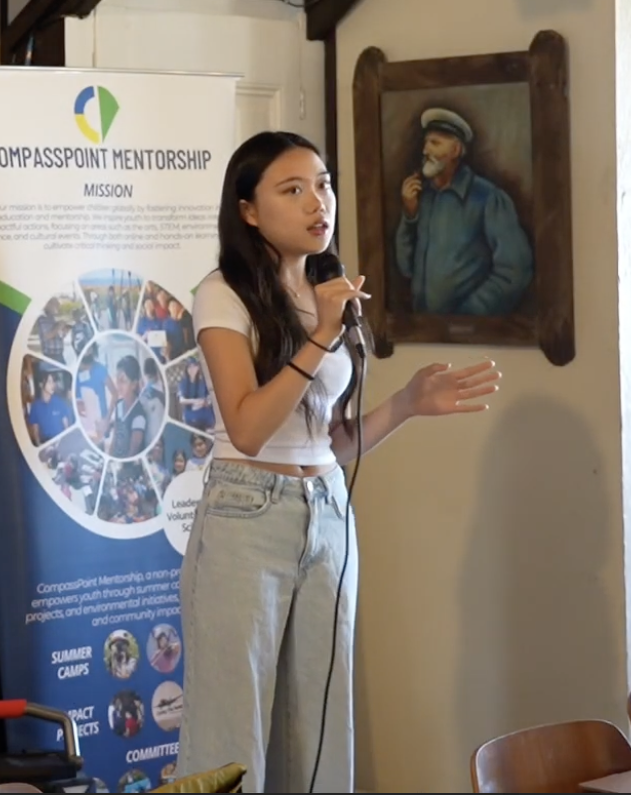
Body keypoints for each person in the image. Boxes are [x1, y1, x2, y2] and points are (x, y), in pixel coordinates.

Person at [179, 130, 499, 793]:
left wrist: (408, 403)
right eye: (291, 190)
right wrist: (322, 334)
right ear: (247, 210)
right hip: (247, 515)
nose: (316, 202)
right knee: (231, 735)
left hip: (326, 511)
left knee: (321, 731)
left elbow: (328, 444)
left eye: (322, 184)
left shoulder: (329, 292)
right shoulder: (223, 293)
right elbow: (250, 424)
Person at [394, 107, 534, 315]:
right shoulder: (424, 196)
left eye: (435, 143)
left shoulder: (489, 198)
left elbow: (515, 271)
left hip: (470, 338)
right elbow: (406, 268)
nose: (425, 151)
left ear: (456, 151)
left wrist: (470, 314)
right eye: (426, 143)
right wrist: (410, 215)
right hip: (422, 333)